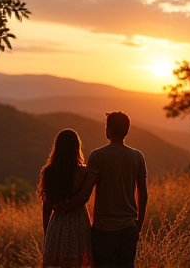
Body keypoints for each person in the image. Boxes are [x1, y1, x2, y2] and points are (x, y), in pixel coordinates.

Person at [63, 111, 148, 268]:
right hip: (129, 228)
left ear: (108, 130)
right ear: (127, 130)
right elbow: (142, 194)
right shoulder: (138, 157)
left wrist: (65, 206)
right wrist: (139, 225)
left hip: (103, 230)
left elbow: (84, 195)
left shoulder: (98, 156)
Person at [38, 129, 93, 268]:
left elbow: (47, 205)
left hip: (57, 224)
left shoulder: (49, 172)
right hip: (78, 224)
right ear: (76, 147)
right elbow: (84, 198)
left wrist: (47, 233)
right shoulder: (83, 172)